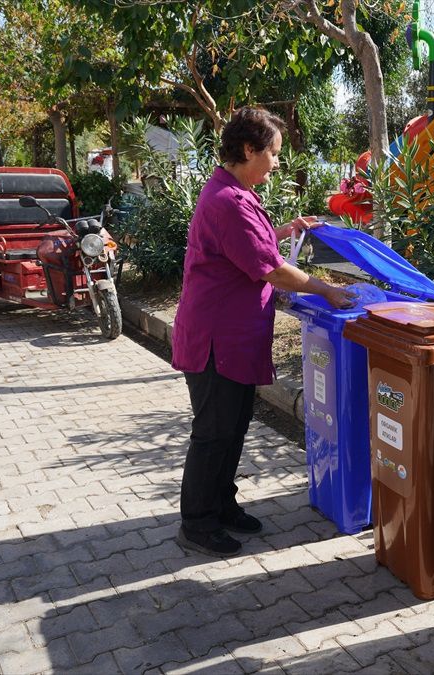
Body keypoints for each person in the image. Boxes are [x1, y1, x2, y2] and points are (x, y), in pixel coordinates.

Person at [172, 106, 356, 558]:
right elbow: (270, 268)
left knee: (234, 425)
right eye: (272, 153)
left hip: (232, 336)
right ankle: (197, 521)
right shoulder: (227, 201)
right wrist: (325, 289)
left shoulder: (233, 191)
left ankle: (222, 504)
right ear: (249, 149)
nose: (276, 161)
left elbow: (251, 244)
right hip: (216, 339)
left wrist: (284, 229)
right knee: (214, 431)